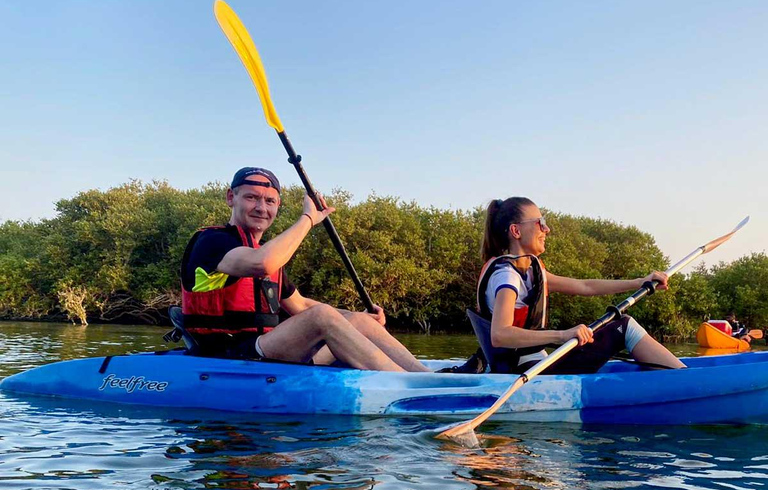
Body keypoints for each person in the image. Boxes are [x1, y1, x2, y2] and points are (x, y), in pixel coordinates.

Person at [180, 167, 430, 372]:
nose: (261, 208)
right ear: (230, 198)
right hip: (225, 354)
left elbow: (301, 306)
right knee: (322, 316)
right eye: (251, 197)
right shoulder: (213, 241)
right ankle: (407, 386)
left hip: (268, 350)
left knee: (357, 321)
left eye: (269, 201)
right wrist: (308, 219)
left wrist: (359, 316)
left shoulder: (268, 250)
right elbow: (261, 263)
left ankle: (425, 376)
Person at [475, 196, 686, 374]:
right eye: (540, 222)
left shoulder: (530, 270)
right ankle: (686, 381)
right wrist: (563, 335)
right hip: (526, 372)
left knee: (622, 326)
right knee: (624, 327)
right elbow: (500, 335)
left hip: (537, 364)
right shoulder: (507, 277)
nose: (547, 229)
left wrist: (640, 282)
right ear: (516, 231)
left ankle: (677, 376)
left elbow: (585, 286)